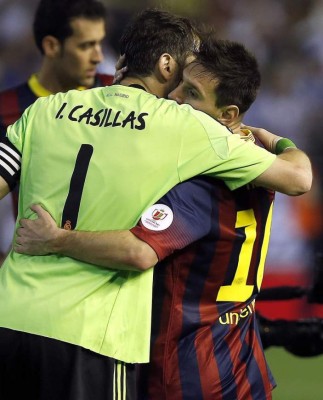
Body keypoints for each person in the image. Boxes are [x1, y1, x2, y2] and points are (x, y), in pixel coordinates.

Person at [13, 36, 312, 399]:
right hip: (242, 365)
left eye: (192, 93)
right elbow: (299, 175)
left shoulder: (200, 181)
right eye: (178, 86)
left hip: (187, 374)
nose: (175, 99)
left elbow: (139, 251)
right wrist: (280, 142)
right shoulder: (257, 162)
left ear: (228, 114)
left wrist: (56, 239)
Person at [0, 0, 114, 262]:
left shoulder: (119, 98)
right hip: (34, 264)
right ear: (52, 46)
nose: (98, 56)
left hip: (107, 262)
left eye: (99, 43)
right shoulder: (6, 111)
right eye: (86, 46)